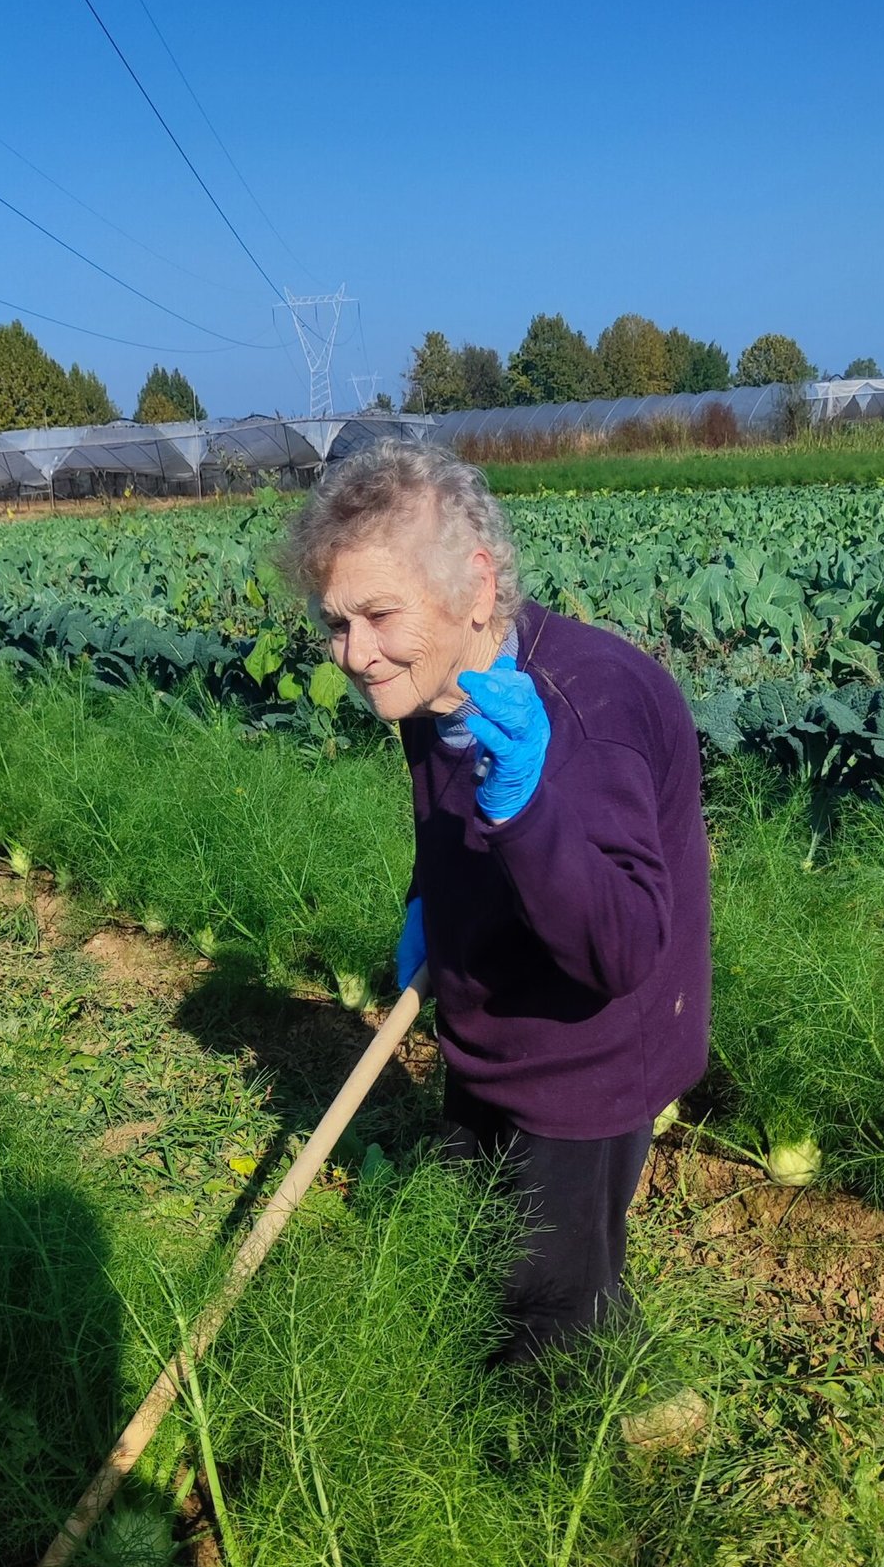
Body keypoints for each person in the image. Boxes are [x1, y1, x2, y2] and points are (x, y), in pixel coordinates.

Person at [279, 441, 711, 1360]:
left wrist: (525, 810)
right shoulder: (431, 680)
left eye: (378, 614)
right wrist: (428, 901)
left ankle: (591, 1414)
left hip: (582, 1058)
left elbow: (624, 947)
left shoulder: (586, 715)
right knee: (480, 1246)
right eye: (334, 622)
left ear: (476, 585)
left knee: (550, 1317)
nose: (355, 654)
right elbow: (442, 822)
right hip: (487, 1020)